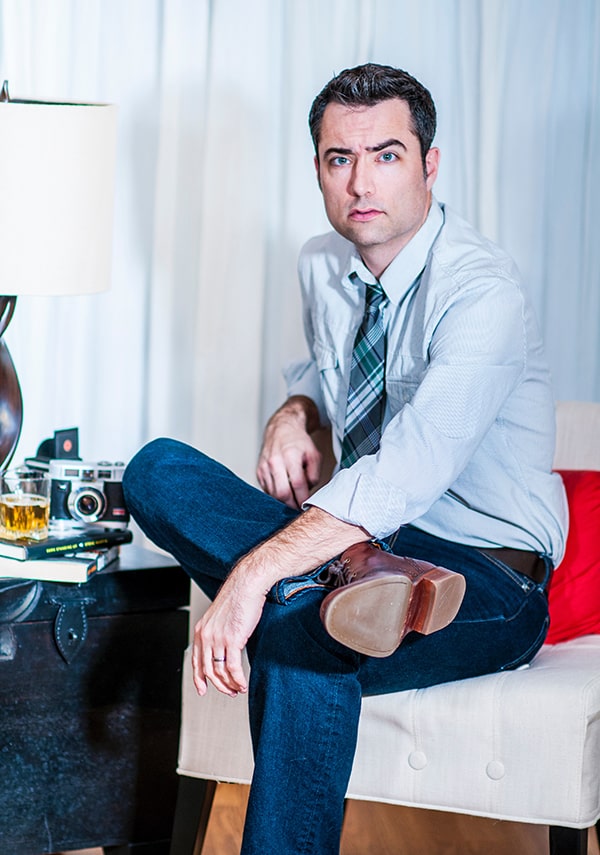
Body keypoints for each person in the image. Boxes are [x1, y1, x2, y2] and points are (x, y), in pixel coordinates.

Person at [123, 63, 568, 854]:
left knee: (297, 636)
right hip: (359, 552)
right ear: (319, 168)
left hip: (486, 577)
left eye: (386, 155)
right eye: (340, 158)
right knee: (156, 468)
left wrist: (251, 580)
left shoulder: (482, 293)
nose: (361, 182)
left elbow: (407, 469)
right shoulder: (321, 265)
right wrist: (293, 416)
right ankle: (340, 582)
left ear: (430, 164)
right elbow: (330, 389)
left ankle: (318, 591)